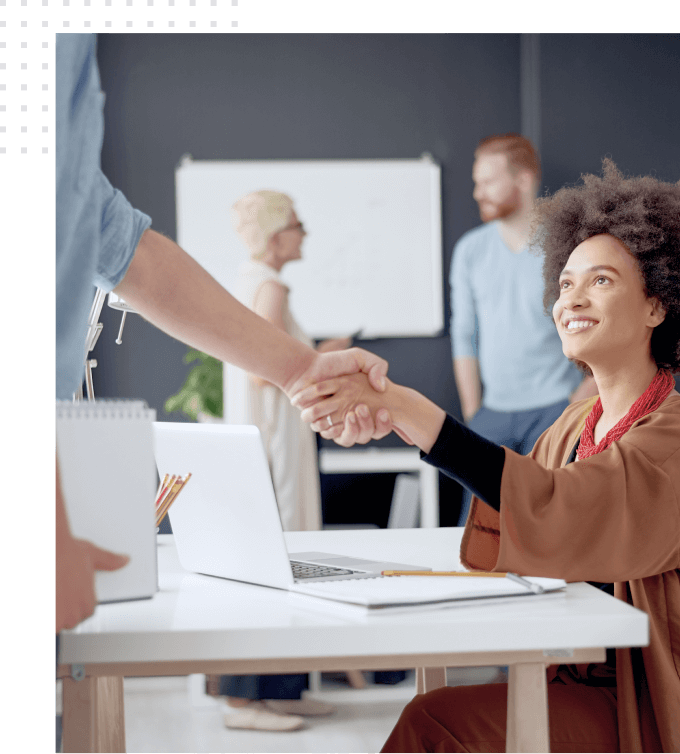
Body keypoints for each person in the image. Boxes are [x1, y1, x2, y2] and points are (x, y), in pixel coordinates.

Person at [293, 158, 680, 753]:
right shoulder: (575, 425)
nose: (571, 299)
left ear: (658, 306)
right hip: (570, 675)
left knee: (434, 724)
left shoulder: (671, 434)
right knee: (432, 714)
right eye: (565, 282)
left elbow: (560, 506)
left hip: (641, 701)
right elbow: (527, 516)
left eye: (601, 281)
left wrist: (412, 412)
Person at [55, 29, 388, 697]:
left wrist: (301, 369)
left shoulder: (73, 62)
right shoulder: (268, 283)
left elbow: (125, 251)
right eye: (295, 225)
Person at [218, 190, 353, 730]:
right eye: (298, 224)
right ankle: (243, 702)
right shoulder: (268, 285)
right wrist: (321, 357)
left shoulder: (252, 281)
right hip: (272, 444)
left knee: (279, 562)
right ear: (277, 236)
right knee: (274, 562)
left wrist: (313, 349)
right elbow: (260, 369)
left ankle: (281, 691)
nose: (304, 233)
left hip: (270, 440)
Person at [451, 134, 597, 526]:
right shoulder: (470, 250)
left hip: (556, 409)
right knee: (480, 531)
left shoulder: (568, 247)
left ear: (523, 180)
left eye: (487, 181)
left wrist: (581, 398)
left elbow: (599, 321)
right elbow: (464, 334)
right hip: (491, 414)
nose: (478, 192)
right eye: (476, 182)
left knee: (549, 525)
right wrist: (474, 414)